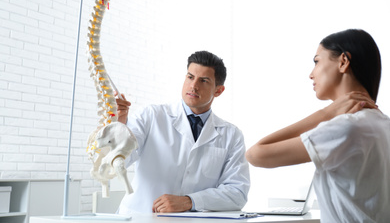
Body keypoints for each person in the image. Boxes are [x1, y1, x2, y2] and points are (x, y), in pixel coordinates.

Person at [246, 29, 390, 222]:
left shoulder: (347, 127)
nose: (311, 74)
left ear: (343, 62)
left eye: (316, 61)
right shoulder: (382, 124)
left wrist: (326, 113)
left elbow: (256, 154)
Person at [115, 51, 250, 214]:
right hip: (140, 217)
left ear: (218, 91)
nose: (193, 86)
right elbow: (120, 161)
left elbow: (237, 193)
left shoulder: (231, 135)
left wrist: (190, 201)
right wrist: (119, 125)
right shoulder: (150, 116)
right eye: (190, 77)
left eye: (204, 80)